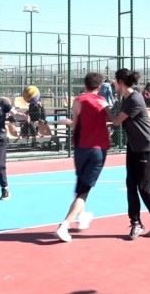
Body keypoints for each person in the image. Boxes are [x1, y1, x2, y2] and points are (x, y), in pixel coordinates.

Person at [104, 68, 150, 240]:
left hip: (145, 147)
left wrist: (104, 106)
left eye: (114, 81)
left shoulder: (134, 98)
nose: (113, 84)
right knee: (131, 185)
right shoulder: (126, 99)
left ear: (120, 82)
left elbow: (117, 121)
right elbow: (114, 119)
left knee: (144, 187)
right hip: (134, 146)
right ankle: (136, 222)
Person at [55, 72, 111, 242]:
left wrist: (72, 124)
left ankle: (82, 216)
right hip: (97, 150)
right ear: (99, 87)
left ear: (85, 85)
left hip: (80, 149)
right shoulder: (103, 102)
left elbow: (77, 125)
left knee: (80, 184)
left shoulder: (78, 101)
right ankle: (64, 225)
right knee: (84, 192)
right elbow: (112, 119)